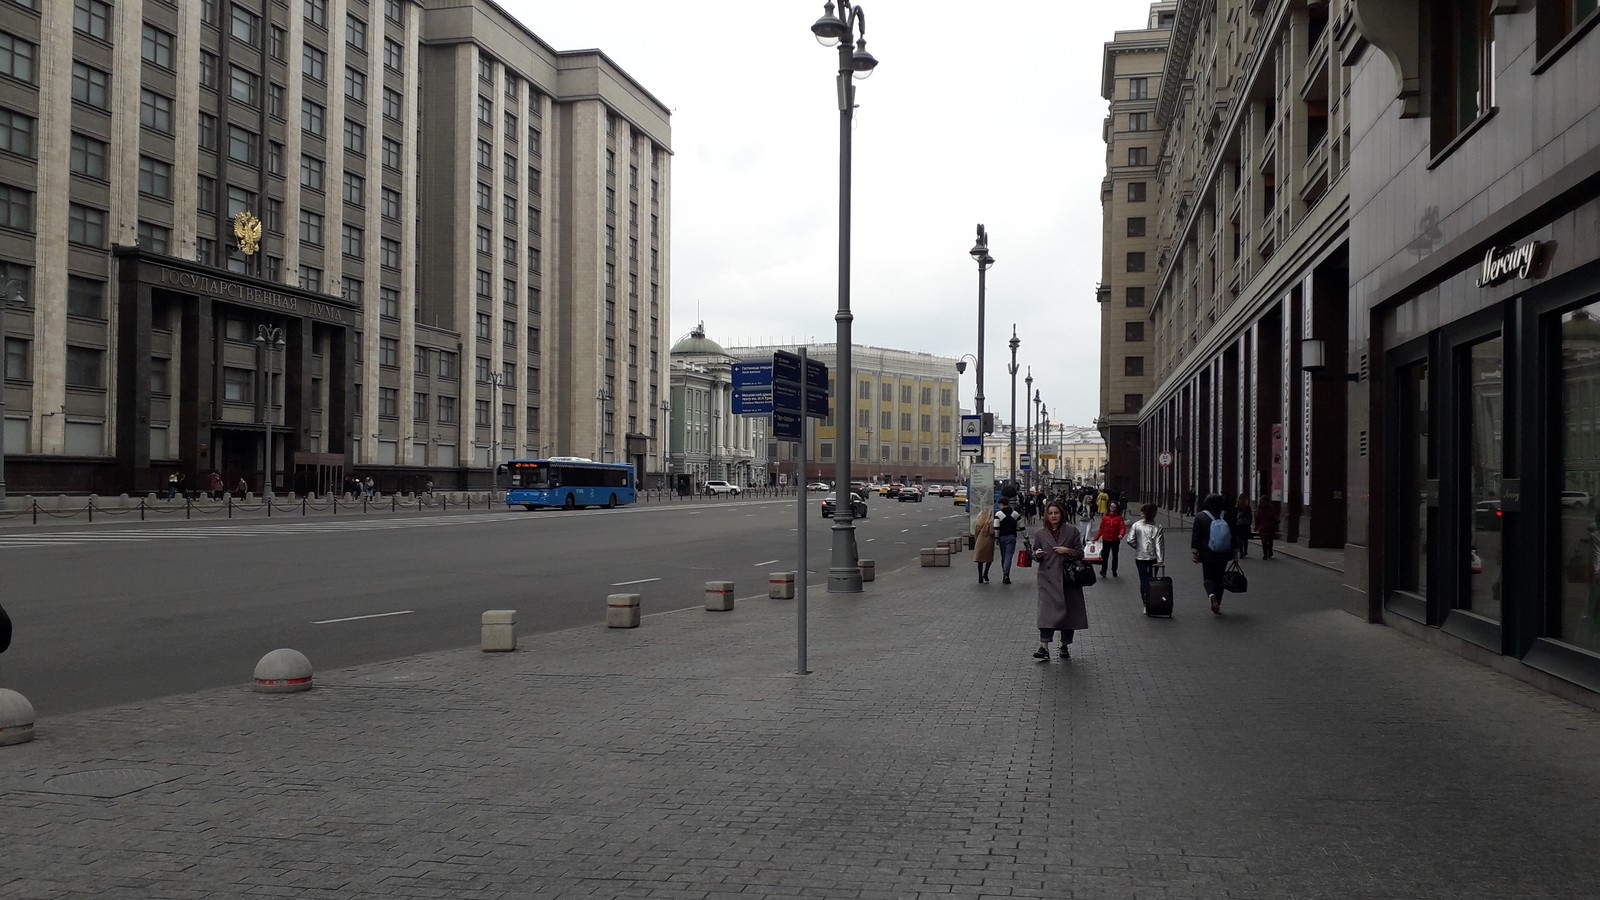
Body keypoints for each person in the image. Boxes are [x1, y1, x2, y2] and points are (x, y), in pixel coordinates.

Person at [1031, 501, 1088, 660]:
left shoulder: (1072, 531)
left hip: (1067, 579)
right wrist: (1037, 554)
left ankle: (1064, 645)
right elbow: (1034, 552)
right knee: (1046, 613)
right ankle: (1044, 648)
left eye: (1056, 513)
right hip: (1047, 579)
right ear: (1046, 516)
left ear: (1061, 514)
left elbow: (1080, 553)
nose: (1053, 516)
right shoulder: (1040, 534)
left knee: (1068, 615)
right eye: (1050, 513)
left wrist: (1067, 550)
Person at [1192, 492, 1235, 615]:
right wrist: (1235, 552)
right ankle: (1218, 604)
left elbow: (1196, 537)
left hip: (1207, 553)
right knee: (1220, 578)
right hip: (1224, 553)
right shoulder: (1226, 515)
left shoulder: (1200, 517)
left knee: (1208, 577)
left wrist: (1195, 552)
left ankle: (1211, 595)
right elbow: (1234, 535)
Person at [1126, 503, 1166, 605]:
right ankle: (1152, 598)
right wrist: (1160, 560)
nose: (1140, 513)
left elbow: (1130, 540)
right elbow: (1159, 544)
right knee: (1152, 579)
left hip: (1140, 557)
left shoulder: (1136, 525)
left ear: (1145, 513)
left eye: (1142, 511)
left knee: (1143, 579)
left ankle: (1145, 601)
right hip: (1154, 558)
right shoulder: (1158, 527)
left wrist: (1139, 547)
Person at [994, 494, 1024, 584]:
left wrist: (996, 538)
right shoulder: (1015, 514)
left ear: (1001, 504)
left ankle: (1005, 574)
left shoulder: (999, 514)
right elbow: (1022, 526)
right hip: (1012, 537)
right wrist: (1026, 537)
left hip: (1002, 537)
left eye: (999, 505)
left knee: (1003, 556)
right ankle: (1006, 575)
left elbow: (996, 527)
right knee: (1009, 556)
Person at [1094, 501, 1127, 577]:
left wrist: (1121, 534)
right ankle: (1103, 571)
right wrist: (1095, 538)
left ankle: (1114, 570)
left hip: (1115, 540)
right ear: (1109, 507)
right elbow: (1101, 529)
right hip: (1106, 539)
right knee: (1105, 556)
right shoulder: (1105, 518)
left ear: (1116, 508)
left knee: (1115, 556)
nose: (1112, 508)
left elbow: (1122, 527)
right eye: (1111, 506)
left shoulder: (1119, 518)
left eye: (1114, 507)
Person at [972, 507, 996, 584]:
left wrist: (976, 540)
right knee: (989, 559)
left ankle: (980, 577)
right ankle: (985, 573)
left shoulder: (978, 520)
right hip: (988, 541)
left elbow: (975, 532)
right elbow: (992, 532)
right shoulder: (990, 521)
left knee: (980, 560)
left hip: (979, 541)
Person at [1254, 494, 1280, 559]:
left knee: (1264, 541)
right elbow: (1274, 516)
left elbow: (1257, 517)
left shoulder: (1259, 508)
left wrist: (1256, 526)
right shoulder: (1271, 507)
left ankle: (1265, 554)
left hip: (1262, 527)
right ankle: (1270, 552)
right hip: (1270, 526)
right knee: (1270, 540)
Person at [1232, 493, 1254, 558]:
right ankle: (1245, 552)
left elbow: (1233, 516)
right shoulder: (1248, 507)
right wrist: (1250, 523)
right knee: (1245, 539)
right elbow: (1250, 516)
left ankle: (1241, 552)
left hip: (1238, 525)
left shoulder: (1236, 507)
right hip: (1246, 525)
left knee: (1239, 538)